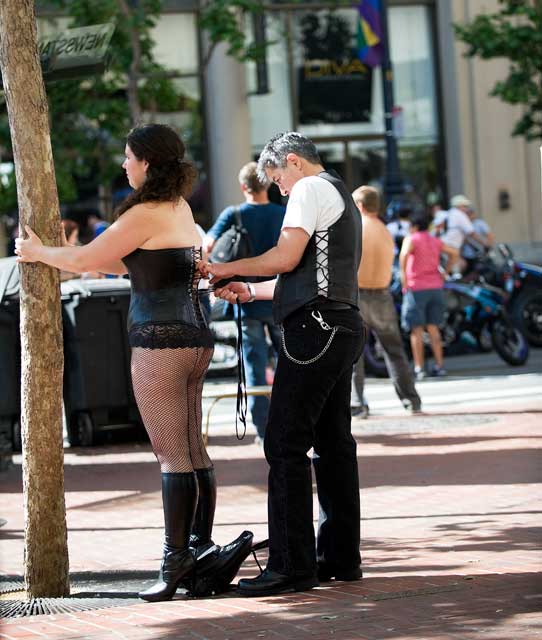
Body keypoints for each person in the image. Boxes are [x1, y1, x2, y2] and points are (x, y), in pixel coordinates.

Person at [14, 123, 252, 602]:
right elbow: (127, 261)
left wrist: (36, 251)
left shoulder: (145, 212)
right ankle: (200, 550)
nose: (124, 164)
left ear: (148, 162)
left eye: (128, 157)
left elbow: (84, 260)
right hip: (196, 338)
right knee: (192, 450)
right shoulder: (178, 208)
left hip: (159, 342)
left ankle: (177, 561)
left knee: (172, 455)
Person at [199, 131, 365, 597]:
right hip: (341, 324)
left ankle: (291, 565)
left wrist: (227, 269)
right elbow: (312, 275)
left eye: (277, 180)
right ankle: (339, 556)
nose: (280, 190)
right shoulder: (341, 194)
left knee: (285, 442)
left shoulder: (309, 189)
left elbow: (286, 256)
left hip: (314, 330)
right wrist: (251, 291)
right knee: (333, 445)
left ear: (292, 162)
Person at [205, 162, 285, 441]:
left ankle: (263, 430)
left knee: (253, 363)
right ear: (267, 184)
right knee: (289, 360)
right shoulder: (282, 213)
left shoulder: (233, 214)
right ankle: (291, 420)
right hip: (278, 295)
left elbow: (208, 245)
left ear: (243, 187)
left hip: (245, 297)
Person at [351, 186, 421, 417]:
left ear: (360, 206)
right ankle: (411, 400)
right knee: (395, 352)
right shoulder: (385, 230)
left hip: (358, 294)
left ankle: (358, 403)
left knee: (353, 354)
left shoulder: (356, 227)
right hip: (382, 294)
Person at [399, 211, 458, 380]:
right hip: (436, 287)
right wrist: (445, 272)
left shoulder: (411, 239)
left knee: (416, 329)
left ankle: (419, 368)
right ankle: (440, 366)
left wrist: (404, 279)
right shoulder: (435, 240)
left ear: (414, 226)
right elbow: (454, 253)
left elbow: (403, 255)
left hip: (416, 287)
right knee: (433, 329)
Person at [433, 194, 490, 273]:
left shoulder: (449, 213)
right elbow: (472, 233)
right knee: (459, 267)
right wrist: (485, 243)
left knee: (456, 266)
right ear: (459, 206)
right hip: (450, 247)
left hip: (442, 245)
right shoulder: (460, 215)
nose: (467, 209)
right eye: (465, 206)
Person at [461, 207, 495, 274]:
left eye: (470, 213)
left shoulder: (480, 223)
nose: (469, 216)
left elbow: (490, 235)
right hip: (467, 255)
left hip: (480, 254)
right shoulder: (463, 224)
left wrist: (487, 248)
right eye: (467, 214)